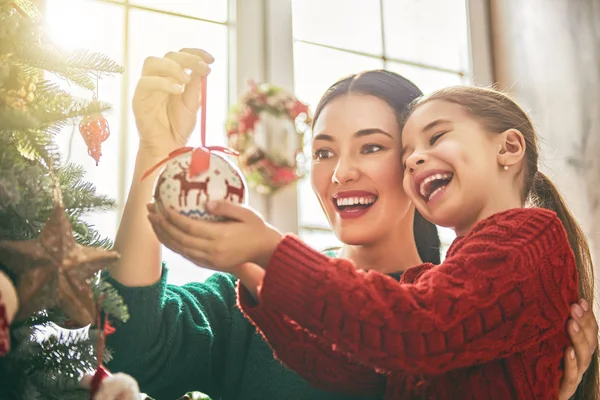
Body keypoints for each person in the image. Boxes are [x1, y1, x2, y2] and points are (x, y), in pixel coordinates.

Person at [110, 48, 596, 399]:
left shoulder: (480, 297)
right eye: (324, 152)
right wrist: (156, 154)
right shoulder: (252, 298)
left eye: (373, 146)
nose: (341, 172)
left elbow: (405, 328)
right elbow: (131, 351)